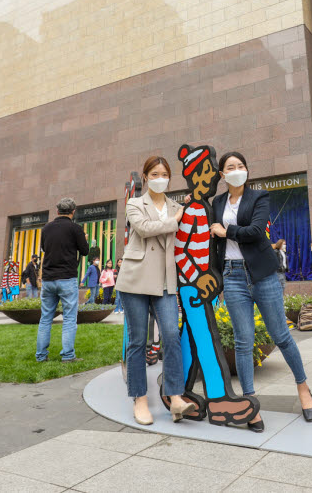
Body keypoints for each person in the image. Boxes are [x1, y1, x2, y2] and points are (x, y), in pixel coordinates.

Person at [211, 151, 312, 427]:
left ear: (247, 170)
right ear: (222, 175)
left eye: (241, 165)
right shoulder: (217, 202)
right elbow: (211, 239)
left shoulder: (259, 197)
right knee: (243, 342)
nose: (236, 170)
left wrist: (226, 231)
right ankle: (250, 403)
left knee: (281, 335)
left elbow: (256, 231)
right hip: (232, 275)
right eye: (230, 167)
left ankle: (303, 387)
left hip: (263, 275)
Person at [116, 156, 196, 424]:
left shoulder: (177, 206)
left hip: (165, 281)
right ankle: (139, 399)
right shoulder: (135, 203)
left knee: (171, 335)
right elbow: (143, 228)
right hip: (136, 279)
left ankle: (175, 397)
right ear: (146, 176)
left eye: (165, 174)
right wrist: (173, 221)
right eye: (155, 173)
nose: (160, 178)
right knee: (138, 341)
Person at [37, 198, 89, 362]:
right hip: (67, 278)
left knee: (45, 318)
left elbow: (44, 248)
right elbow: (85, 251)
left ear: (57, 211)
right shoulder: (75, 228)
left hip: (48, 278)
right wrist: (83, 239)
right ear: (73, 211)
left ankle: (41, 356)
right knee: (69, 318)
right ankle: (67, 355)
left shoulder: (46, 228)